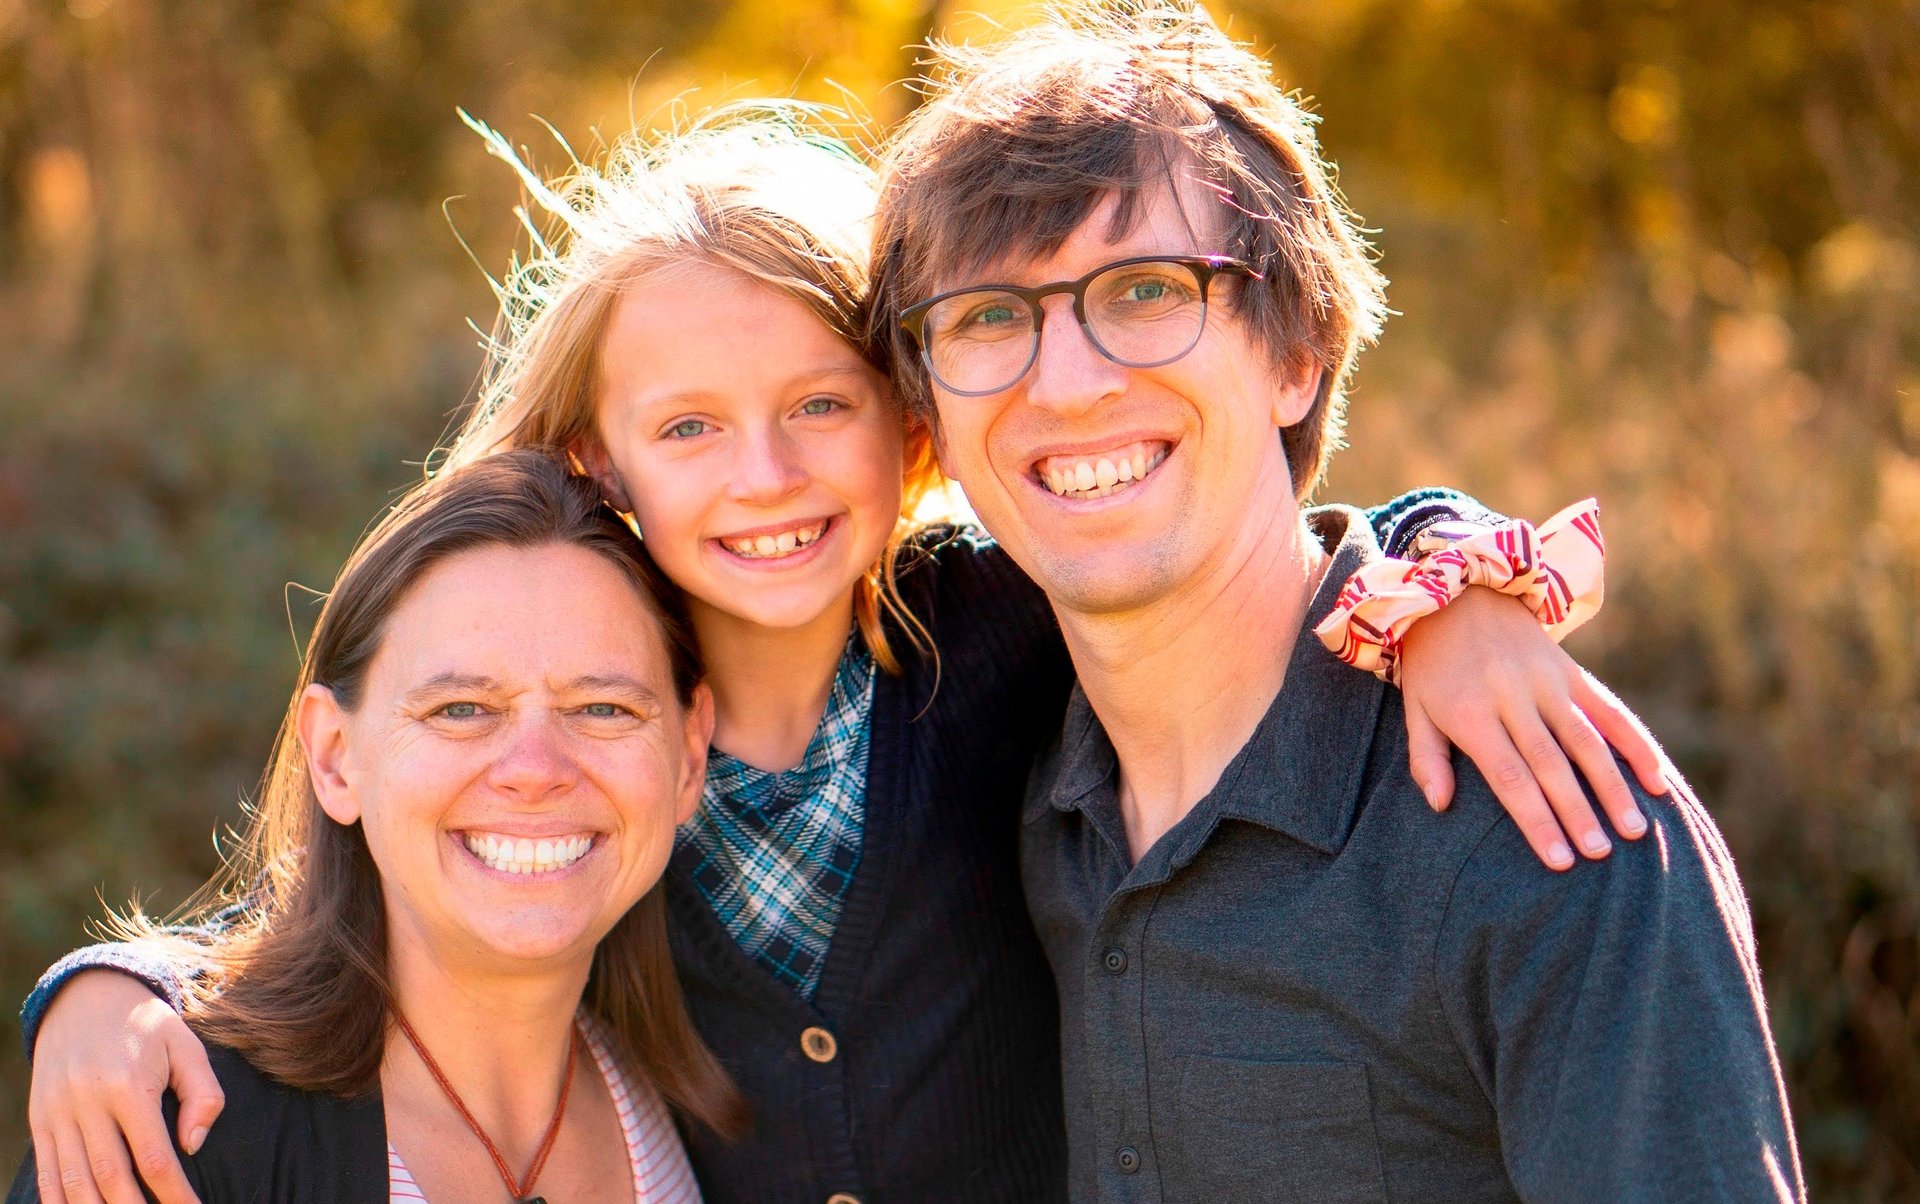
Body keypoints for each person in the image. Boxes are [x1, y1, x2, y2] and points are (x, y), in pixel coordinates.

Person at [19, 108, 1670, 1204]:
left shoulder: (1016, 640)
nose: (768, 475)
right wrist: (123, 981)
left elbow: (1277, 535)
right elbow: (407, 864)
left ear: (913, 425)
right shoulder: (594, 737)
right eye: (689, 426)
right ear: (600, 458)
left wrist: (1450, 596)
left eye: (821, 406)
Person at [866, 4, 1805, 1200]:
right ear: (933, 419)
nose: (1066, 383)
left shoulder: (1542, 826)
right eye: (989, 316)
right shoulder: (1016, 795)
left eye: (1147, 290)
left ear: (1296, 352)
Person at [9, 449, 736, 1203]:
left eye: (603, 709)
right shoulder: (167, 1130)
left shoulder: (722, 1101)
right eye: (460, 710)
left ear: (688, 755)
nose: (535, 767)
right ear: (335, 757)